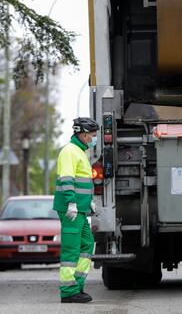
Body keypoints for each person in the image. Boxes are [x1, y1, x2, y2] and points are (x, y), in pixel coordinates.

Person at [53, 117, 100, 303]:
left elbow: (82, 182)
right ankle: (68, 292)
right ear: (84, 133)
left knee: (87, 244)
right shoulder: (70, 151)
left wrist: (88, 202)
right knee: (71, 250)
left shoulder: (80, 152)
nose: (94, 139)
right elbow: (67, 179)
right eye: (93, 135)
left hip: (79, 209)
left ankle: (77, 285)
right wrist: (72, 203)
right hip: (70, 210)